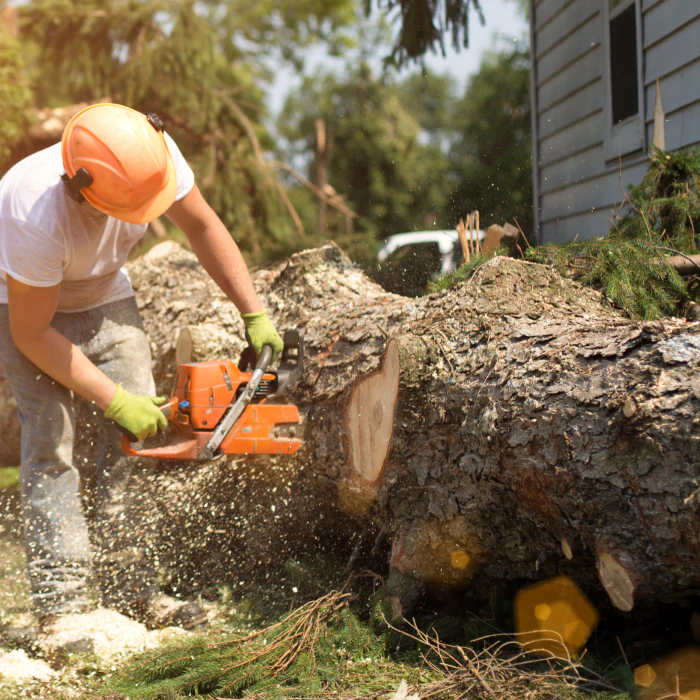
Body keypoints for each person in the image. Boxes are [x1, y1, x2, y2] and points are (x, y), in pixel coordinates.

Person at [0, 103, 284, 630]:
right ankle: (61, 607)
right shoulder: (30, 208)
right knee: (51, 444)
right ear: (77, 185)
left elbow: (201, 225)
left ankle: (132, 590)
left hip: (107, 292)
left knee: (136, 444)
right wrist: (113, 399)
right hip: (23, 307)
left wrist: (254, 312)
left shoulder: (150, 153)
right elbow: (31, 333)